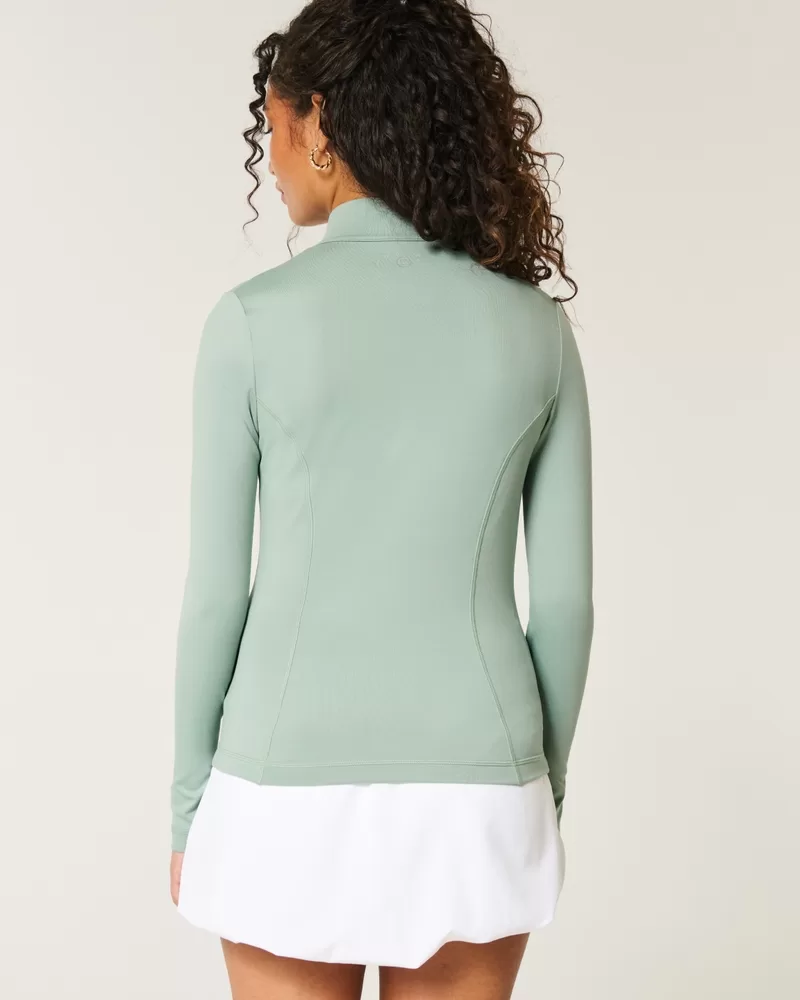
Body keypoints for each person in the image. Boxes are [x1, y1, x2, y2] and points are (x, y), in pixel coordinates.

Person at [168, 1, 594, 997]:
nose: (272, 158)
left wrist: (189, 805)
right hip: (478, 784)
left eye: (273, 125)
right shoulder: (535, 330)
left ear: (318, 119)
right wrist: (538, 789)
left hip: (278, 788)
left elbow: (215, 597)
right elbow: (567, 606)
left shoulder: (247, 324)